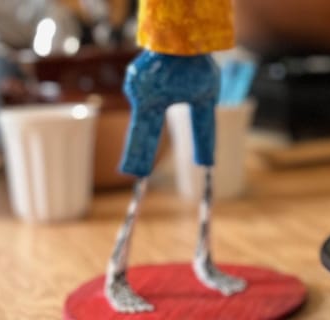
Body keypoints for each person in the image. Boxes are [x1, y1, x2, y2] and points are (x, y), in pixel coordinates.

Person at [104, 0, 244, 313]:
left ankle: (204, 259)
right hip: (156, 70)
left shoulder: (207, 67)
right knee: (142, 177)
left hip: (199, 71)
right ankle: (117, 272)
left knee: (207, 166)